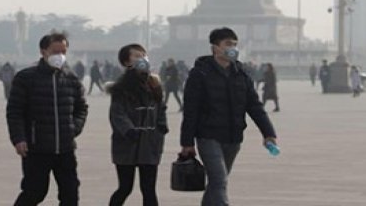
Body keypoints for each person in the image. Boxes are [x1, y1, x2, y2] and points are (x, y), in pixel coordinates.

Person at [179, 27, 278, 206]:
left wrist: (268, 133)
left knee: (218, 182)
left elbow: (255, 106)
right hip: (208, 136)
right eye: (227, 44)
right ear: (215, 48)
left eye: (234, 44)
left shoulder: (241, 74)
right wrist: (187, 142)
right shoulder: (200, 74)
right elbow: (190, 110)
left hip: (233, 137)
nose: (232, 47)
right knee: (219, 180)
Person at [6, 32, 88, 206]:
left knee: (70, 194)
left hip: (65, 148)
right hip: (37, 148)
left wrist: (74, 128)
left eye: (63, 52)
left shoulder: (71, 78)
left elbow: (82, 108)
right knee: (34, 193)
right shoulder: (26, 78)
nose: (60, 56)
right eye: (55, 51)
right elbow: (15, 112)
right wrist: (19, 138)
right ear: (43, 52)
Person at [107, 44, 167, 206]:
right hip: (127, 144)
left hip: (150, 142)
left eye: (143, 55)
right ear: (127, 62)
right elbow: (117, 113)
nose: (142, 58)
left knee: (149, 189)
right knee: (125, 187)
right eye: (136, 56)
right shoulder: (121, 88)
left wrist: (162, 125)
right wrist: (128, 130)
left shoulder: (154, 84)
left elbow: (161, 108)